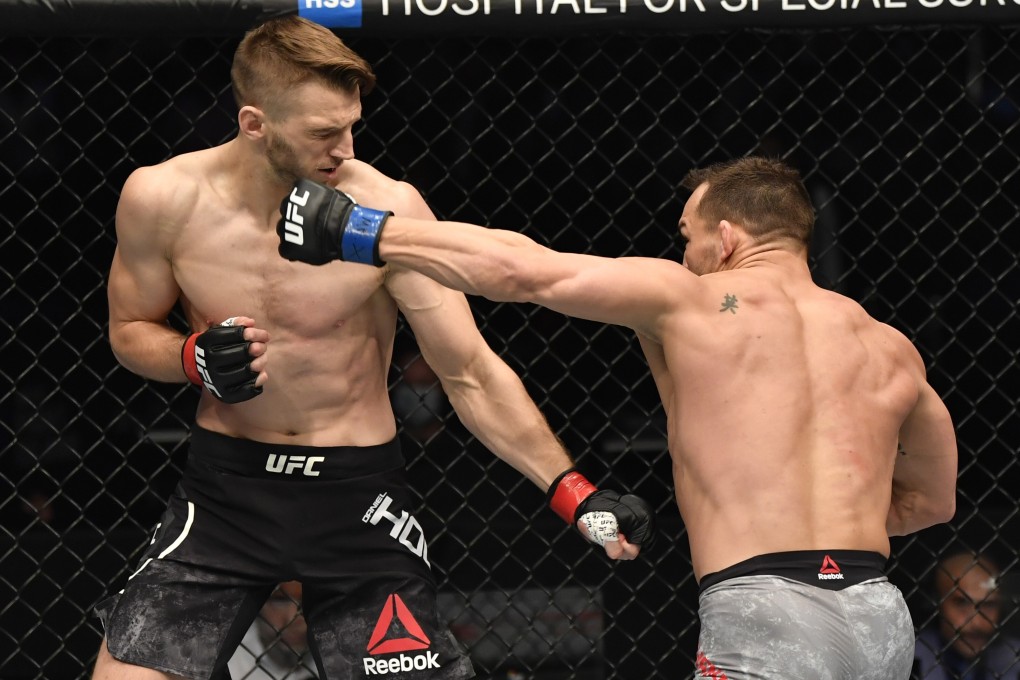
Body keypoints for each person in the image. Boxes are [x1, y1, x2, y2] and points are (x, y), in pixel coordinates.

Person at [94, 15, 655, 680]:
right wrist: (189, 358)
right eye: (325, 133)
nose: (347, 148)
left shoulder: (385, 211)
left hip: (357, 498)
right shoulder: (163, 198)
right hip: (225, 494)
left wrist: (573, 491)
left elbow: (467, 371)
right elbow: (130, 332)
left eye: (353, 125)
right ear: (254, 123)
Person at [277, 155, 960, 679]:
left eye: (687, 236)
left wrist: (357, 229)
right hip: (877, 611)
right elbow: (932, 501)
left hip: (765, 607)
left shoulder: (693, 298)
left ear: (725, 238)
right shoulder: (890, 347)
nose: (683, 252)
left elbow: (526, 272)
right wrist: (833, 517)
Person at [914, 551, 1020, 680]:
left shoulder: (1013, 657)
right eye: (961, 603)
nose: (977, 622)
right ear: (935, 603)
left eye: (989, 605)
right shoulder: (902, 658)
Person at [228, 581, 318, 680]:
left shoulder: (331, 654)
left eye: (307, 601)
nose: (293, 617)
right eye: (279, 600)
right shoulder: (230, 662)